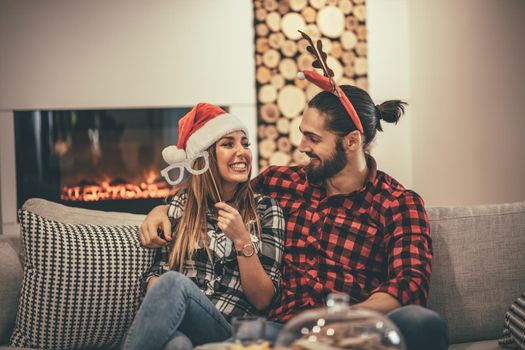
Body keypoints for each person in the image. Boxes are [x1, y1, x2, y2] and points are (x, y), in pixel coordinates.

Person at [139, 83, 448, 349]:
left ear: (352, 141)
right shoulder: (279, 183)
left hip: (351, 331)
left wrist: (337, 322)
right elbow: (216, 196)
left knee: (421, 321)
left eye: (313, 139)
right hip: (280, 331)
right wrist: (162, 208)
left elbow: (410, 284)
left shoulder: (397, 203)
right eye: (303, 135)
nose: (302, 147)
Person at [124, 103, 285, 350]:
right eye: (228, 144)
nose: (242, 151)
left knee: (174, 283)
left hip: (231, 326)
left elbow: (263, 300)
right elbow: (160, 269)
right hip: (188, 319)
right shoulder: (181, 206)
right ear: (205, 156)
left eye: (245, 143)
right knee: (177, 344)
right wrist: (160, 294)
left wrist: (242, 239)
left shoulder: (265, 210)